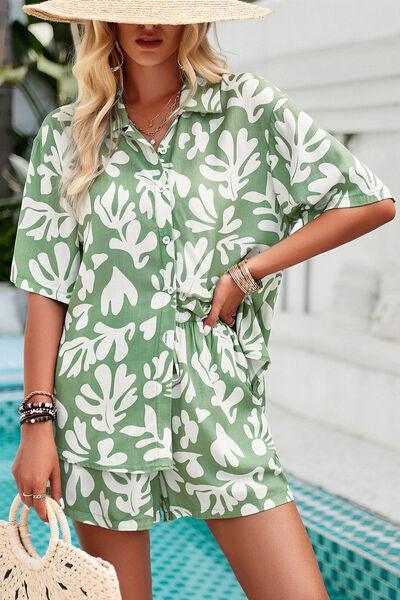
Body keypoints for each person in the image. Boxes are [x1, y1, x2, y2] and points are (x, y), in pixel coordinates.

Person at [10, 1, 396, 599]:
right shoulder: (69, 133)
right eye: (130, 7)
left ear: (193, 17)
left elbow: (369, 202)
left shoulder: (250, 109)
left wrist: (248, 271)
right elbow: (47, 284)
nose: (149, 23)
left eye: (166, 7)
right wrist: (37, 425)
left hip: (218, 401)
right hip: (101, 406)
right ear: (102, 18)